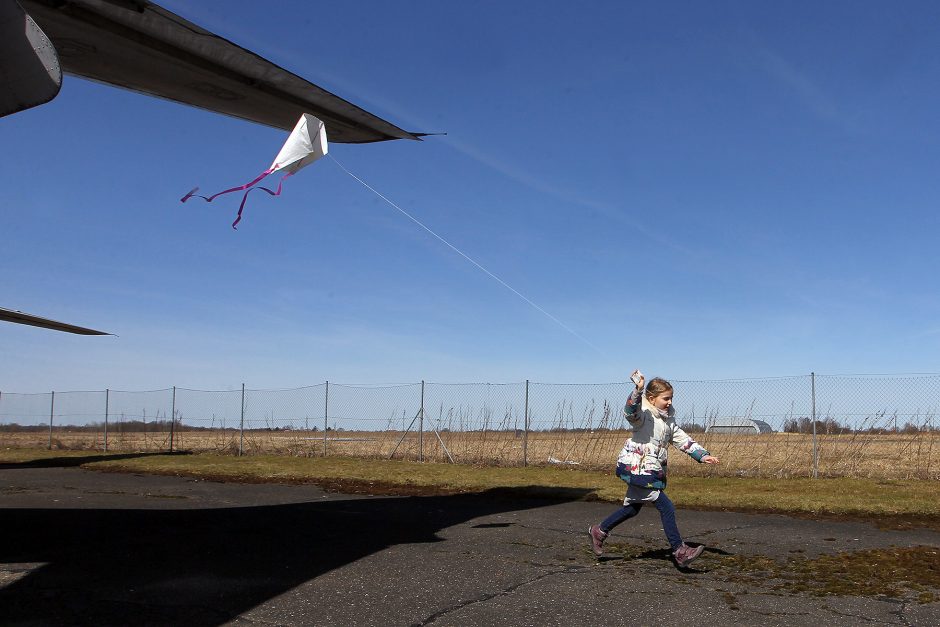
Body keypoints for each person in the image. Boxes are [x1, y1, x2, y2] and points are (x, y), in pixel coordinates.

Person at [588, 371, 720, 568]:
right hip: (638, 467)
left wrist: (702, 454)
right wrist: (638, 390)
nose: (669, 402)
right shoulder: (643, 415)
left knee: (632, 508)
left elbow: (683, 440)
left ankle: (599, 530)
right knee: (666, 506)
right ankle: (679, 550)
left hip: (649, 468)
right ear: (652, 398)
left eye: (671, 398)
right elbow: (630, 412)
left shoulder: (669, 421)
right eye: (665, 398)